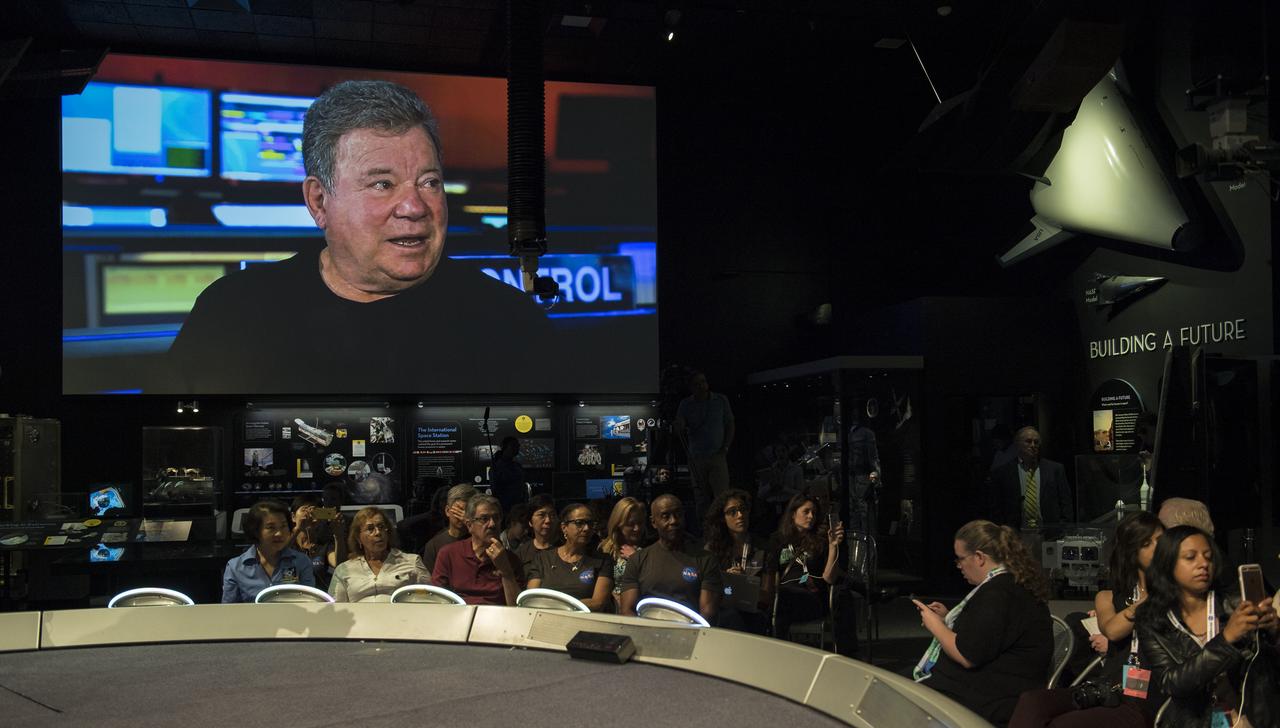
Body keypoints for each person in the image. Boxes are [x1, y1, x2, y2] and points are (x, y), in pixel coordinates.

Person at [165, 79, 557, 393]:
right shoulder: (232, 311)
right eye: (383, 184)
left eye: (429, 181)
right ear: (319, 201)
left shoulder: (510, 322)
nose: (414, 206)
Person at [1008, 511, 1164, 728]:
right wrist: (1146, 600)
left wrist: (1160, 590)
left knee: (1064, 724)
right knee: (1032, 702)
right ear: (1131, 550)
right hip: (1108, 688)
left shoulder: (1173, 596)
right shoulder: (1107, 597)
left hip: (1142, 697)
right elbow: (1113, 630)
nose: (1160, 547)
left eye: (1162, 540)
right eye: (1148, 542)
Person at [1135, 525, 1279, 728]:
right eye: (1190, 557)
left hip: (1250, 717)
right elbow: (1172, 682)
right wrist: (1226, 639)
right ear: (1168, 563)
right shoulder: (1152, 618)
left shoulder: (1236, 604)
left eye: (1208, 557)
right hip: (1195, 720)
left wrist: (1275, 634)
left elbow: (1268, 669)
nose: (1203, 564)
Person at [912, 519, 1052, 725]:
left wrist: (936, 626)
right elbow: (987, 632)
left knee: (895, 694)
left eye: (960, 559)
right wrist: (948, 618)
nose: (959, 566)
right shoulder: (1009, 583)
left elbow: (967, 655)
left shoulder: (998, 592)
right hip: (1000, 686)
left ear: (979, 557)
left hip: (995, 697)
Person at [771, 493, 857, 656]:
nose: (811, 516)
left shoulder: (820, 540)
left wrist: (833, 547)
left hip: (810, 597)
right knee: (778, 601)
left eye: (814, 513)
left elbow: (829, 578)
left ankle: (779, 653)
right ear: (793, 513)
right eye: (806, 511)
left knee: (784, 602)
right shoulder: (778, 540)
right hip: (783, 595)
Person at [617, 494, 720, 622]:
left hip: (691, 636)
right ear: (653, 522)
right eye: (666, 516)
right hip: (647, 635)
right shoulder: (637, 560)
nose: (673, 521)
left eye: (678, 514)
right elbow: (627, 610)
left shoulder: (706, 559)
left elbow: (707, 613)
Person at [703, 489, 776, 633]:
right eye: (732, 512)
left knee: (736, 618)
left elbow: (767, 597)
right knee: (727, 616)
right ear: (722, 518)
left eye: (743, 510)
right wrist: (727, 581)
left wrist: (745, 583)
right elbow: (705, 592)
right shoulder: (712, 549)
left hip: (754, 611)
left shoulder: (764, 547)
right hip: (721, 608)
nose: (740, 515)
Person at [432, 494, 524, 605]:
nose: (492, 524)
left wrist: (505, 570)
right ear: (469, 525)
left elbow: (518, 609)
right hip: (458, 617)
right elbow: (437, 601)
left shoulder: (510, 559)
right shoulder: (448, 554)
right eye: (484, 519)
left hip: (497, 619)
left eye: (496, 518)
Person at [328, 506, 430, 602]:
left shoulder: (412, 562)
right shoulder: (344, 569)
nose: (378, 532)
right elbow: (335, 609)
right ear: (358, 538)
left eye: (381, 527)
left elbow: (430, 601)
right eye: (370, 529)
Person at [222, 500, 316, 603]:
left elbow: (309, 603)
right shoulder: (235, 567)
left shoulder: (301, 561)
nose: (279, 533)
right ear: (255, 531)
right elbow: (229, 610)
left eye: (284, 526)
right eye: (271, 528)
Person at [526, 503, 613, 611]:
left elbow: (598, 602)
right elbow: (532, 598)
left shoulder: (602, 560)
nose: (586, 528)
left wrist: (556, 607)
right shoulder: (543, 559)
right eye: (579, 523)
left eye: (590, 523)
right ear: (564, 527)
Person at [674, 370, 734, 513]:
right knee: (701, 498)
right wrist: (679, 425)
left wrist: (725, 448)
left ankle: (722, 528)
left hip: (717, 455)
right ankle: (704, 529)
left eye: (703, 382)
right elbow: (680, 426)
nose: (701, 386)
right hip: (696, 458)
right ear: (691, 387)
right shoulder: (686, 404)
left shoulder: (720, 400)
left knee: (722, 496)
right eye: (697, 384)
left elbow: (730, 424)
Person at [989, 426, 1073, 528]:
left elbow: (1066, 502)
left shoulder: (1055, 469)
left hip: (1049, 533)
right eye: (1028, 442)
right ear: (1018, 444)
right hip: (1016, 534)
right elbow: (997, 506)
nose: (1033, 445)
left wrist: (1063, 526)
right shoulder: (1003, 472)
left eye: (1036, 442)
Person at [286, 494, 348, 591]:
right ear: (293, 517)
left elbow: (339, 565)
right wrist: (298, 529)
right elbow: (278, 555)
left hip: (319, 599)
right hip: (290, 598)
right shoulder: (288, 544)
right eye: (304, 510)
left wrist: (338, 536)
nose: (309, 515)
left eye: (314, 511)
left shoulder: (324, 546)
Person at [600, 496, 648, 611]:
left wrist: (635, 557)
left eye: (640, 523)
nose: (637, 528)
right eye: (631, 524)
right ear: (618, 524)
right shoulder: (604, 550)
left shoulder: (650, 548)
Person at [421, 483, 477, 572]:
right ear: (447, 511)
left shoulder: (479, 540)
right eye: (459, 510)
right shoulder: (434, 545)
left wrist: (471, 523)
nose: (462, 516)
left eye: (468, 511)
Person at [847, 413, 881, 533]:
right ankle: (863, 539)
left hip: (857, 474)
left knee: (857, 508)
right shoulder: (865, 433)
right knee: (861, 508)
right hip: (859, 474)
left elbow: (872, 456)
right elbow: (873, 457)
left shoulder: (853, 433)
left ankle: (860, 538)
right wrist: (876, 473)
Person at [514, 494, 559, 571]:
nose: (548, 520)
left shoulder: (565, 548)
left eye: (552, 515)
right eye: (541, 515)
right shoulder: (521, 553)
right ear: (530, 522)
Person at [489, 436, 526, 510]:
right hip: (505, 507)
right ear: (505, 447)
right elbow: (496, 490)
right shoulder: (497, 467)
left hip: (518, 506)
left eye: (517, 446)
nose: (516, 448)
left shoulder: (517, 465)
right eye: (513, 445)